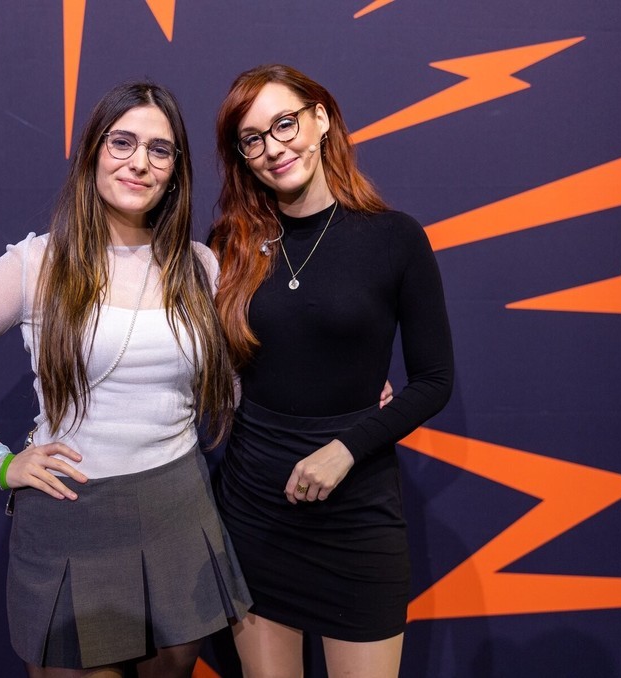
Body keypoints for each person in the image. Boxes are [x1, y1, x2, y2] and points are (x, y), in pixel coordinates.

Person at [0, 82, 251, 678]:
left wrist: (344, 395)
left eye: (160, 150)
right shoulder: (36, 264)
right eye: (122, 142)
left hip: (179, 506)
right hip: (71, 514)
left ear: (175, 171)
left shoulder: (200, 265)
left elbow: (240, 385)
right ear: (93, 151)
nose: (139, 162)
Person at [208, 64, 455, 677]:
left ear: (320, 119)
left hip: (357, 511)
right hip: (253, 509)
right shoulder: (228, 246)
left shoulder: (394, 238)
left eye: (284, 124)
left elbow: (434, 380)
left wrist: (346, 448)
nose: (273, 148)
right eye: (252, 139)